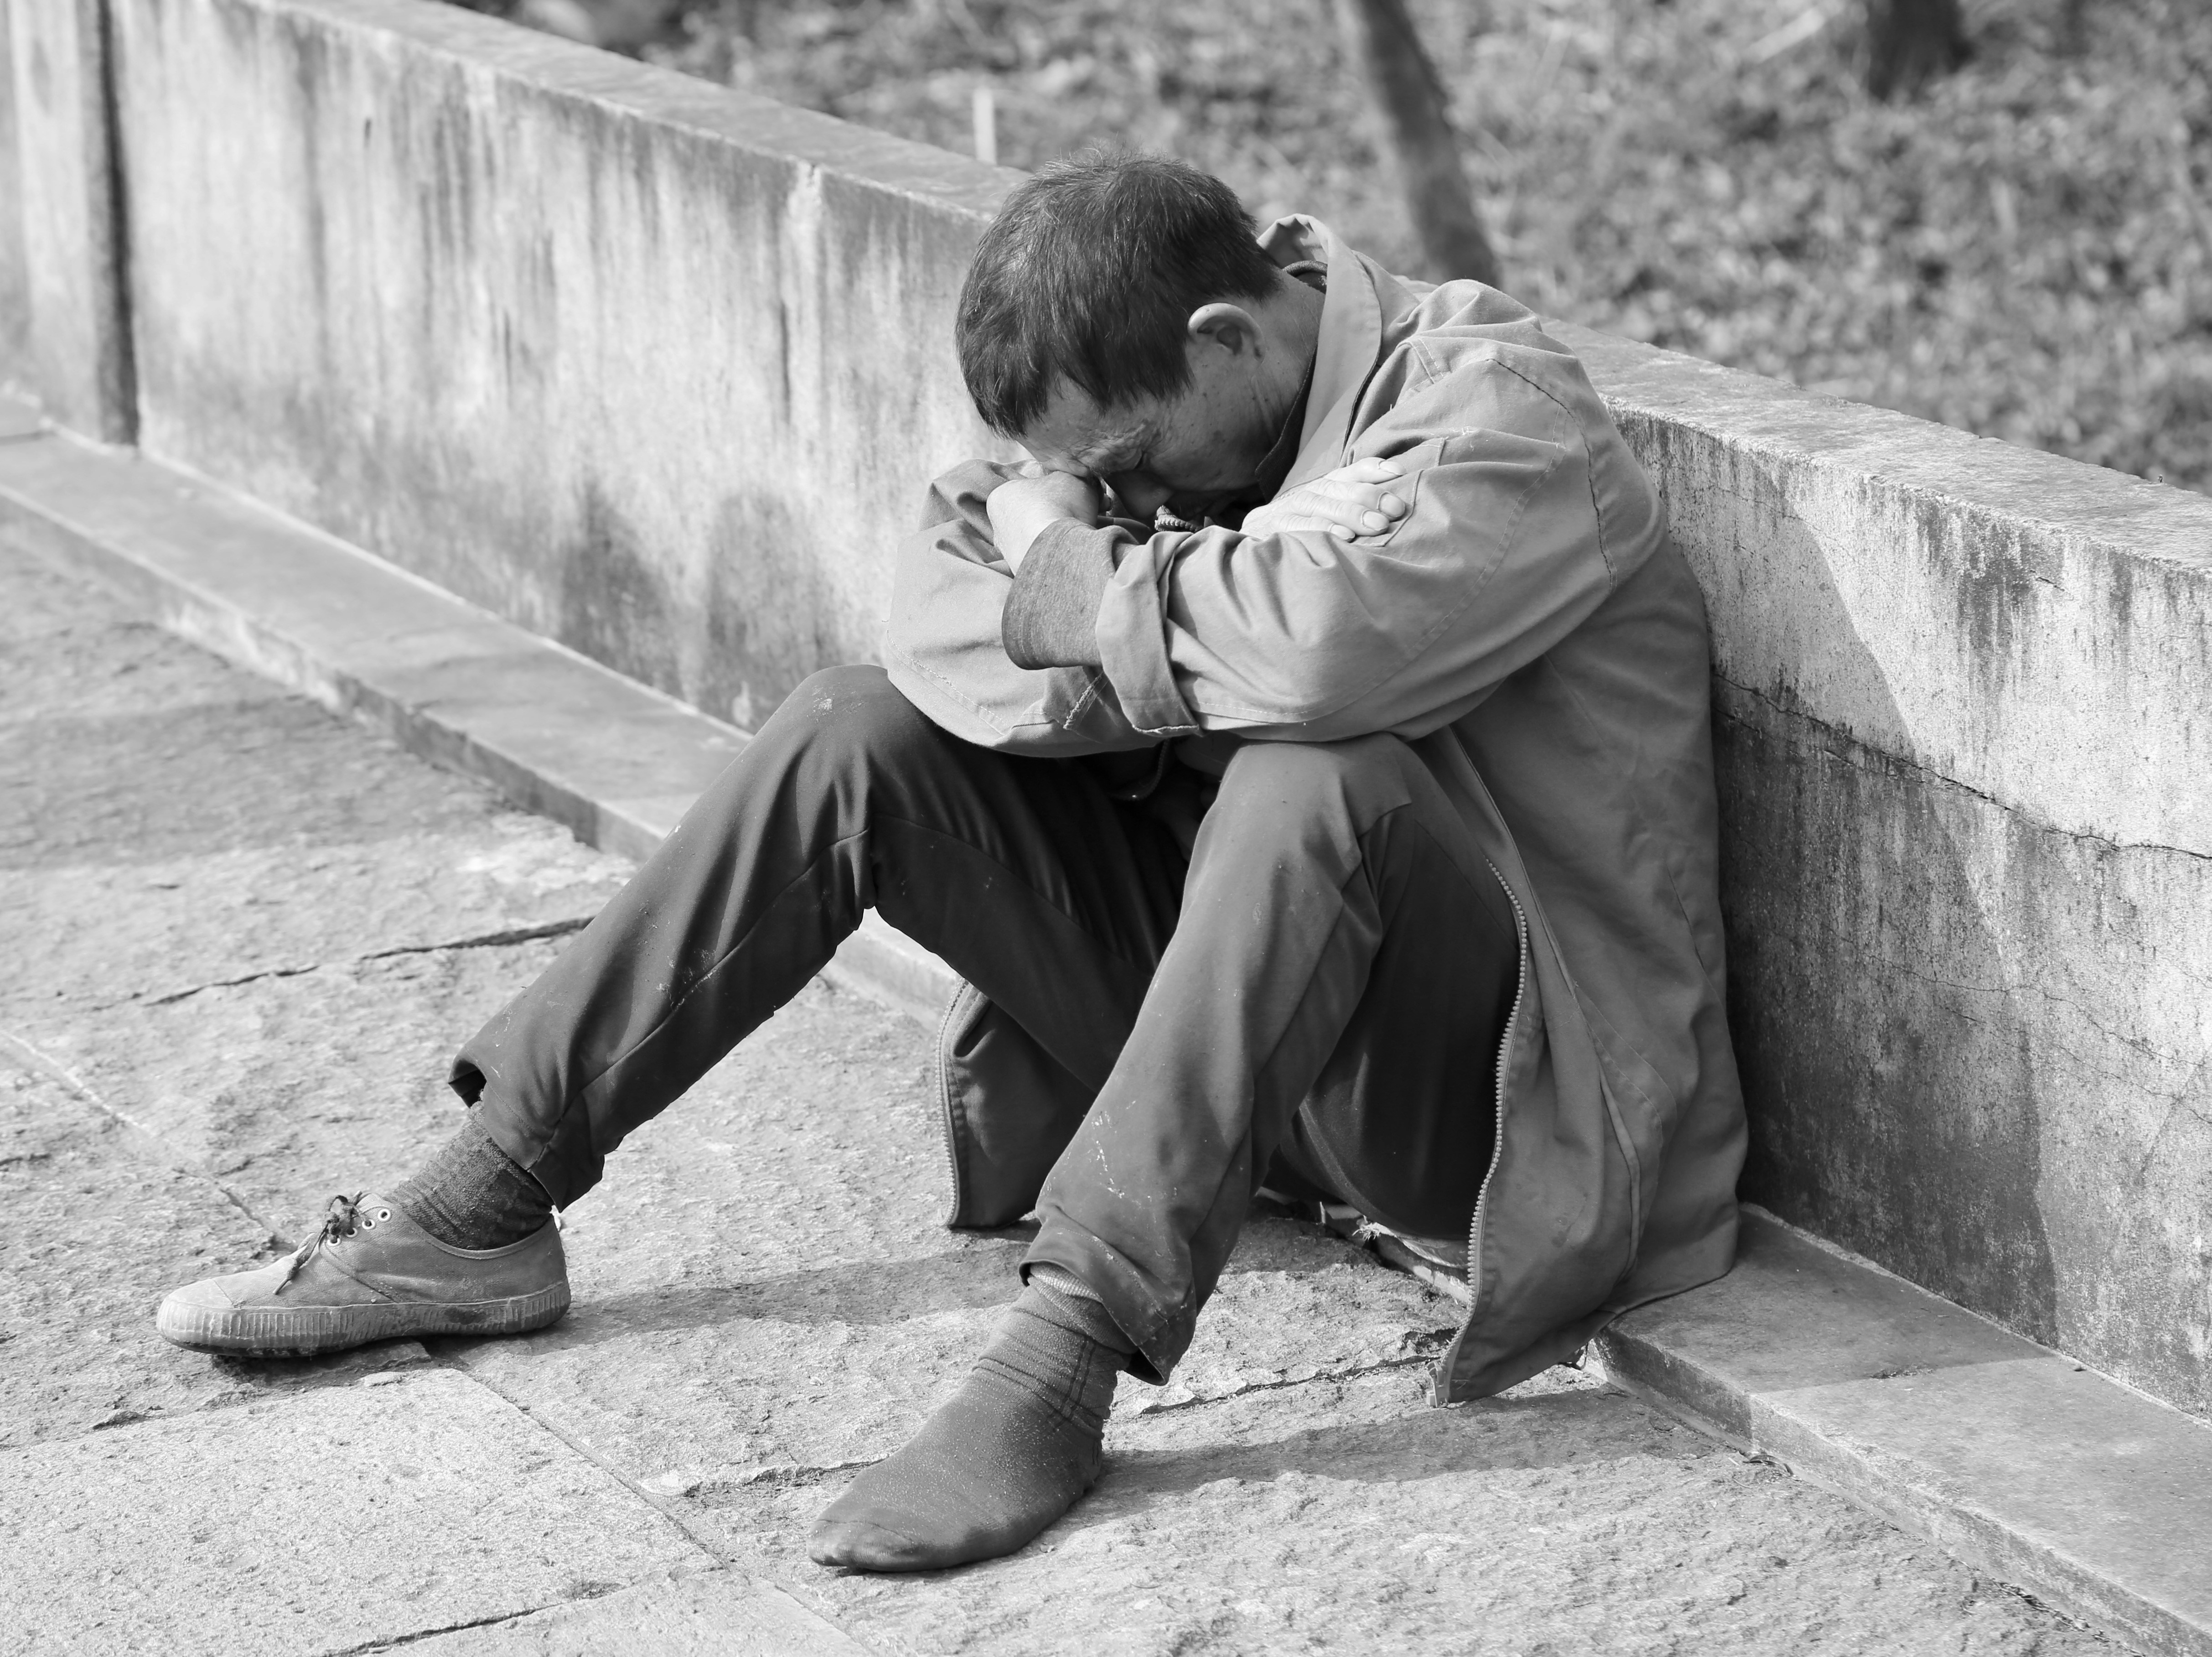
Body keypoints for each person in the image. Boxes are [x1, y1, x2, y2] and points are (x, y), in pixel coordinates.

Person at [155, 151, 1745, 1573]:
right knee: (853, 728)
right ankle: (486, 1196)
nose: (1115, 501)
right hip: (1244, 1048)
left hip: (1485, 1108)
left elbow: (1319, 658)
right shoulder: (1139, 423)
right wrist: (1115, 581)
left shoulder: (1492, 417)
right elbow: (934, 626)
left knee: (1313, 775)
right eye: (1089, 483)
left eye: (1127, 464)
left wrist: (1074, 575)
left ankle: (1062, 1358)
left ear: (1230, 342)